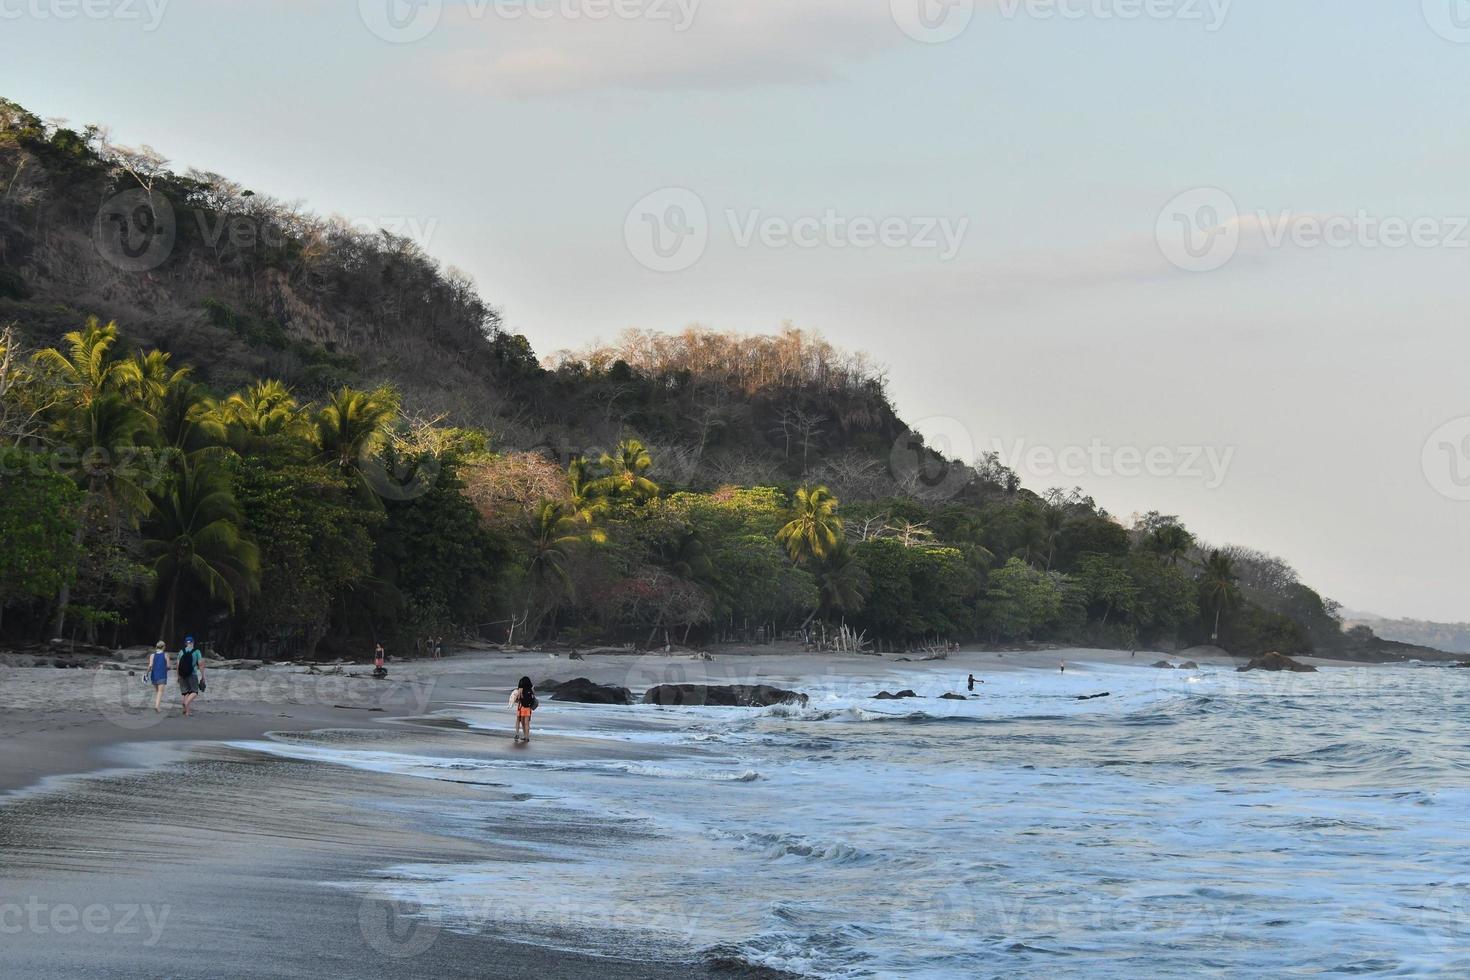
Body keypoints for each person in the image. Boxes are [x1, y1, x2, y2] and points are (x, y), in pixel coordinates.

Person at [178, 636, 204, 717]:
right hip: (192, 674)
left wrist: (178, 676)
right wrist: (203, 676)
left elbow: (178, 665)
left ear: (186, 643)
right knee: (194, 692)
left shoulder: (181, 651)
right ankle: (186, 703)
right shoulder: (197, 651)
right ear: (193, 643)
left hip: (182, 674)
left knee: (186, 692)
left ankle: (187, 712)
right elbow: (200, 664)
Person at [509, 676, 537, 743]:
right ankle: (526, 737)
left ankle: (517, 734)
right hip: (528, 708)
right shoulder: (531, 689)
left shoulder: (520, 690)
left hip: (521, 707)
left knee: (519, 721)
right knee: (526, 723)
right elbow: (533, 697)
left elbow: (517, 700)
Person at [147, 641, 170, 713]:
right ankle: (157, 706)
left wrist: (146, 673)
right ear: (163, 647)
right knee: (160, 691)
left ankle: (158, 705)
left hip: (154, 675)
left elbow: (150, 666)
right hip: (162, 675)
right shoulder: (166, 655)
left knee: (157, 691)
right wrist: (166, 669)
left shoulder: (152, 655)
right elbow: (168, 666)